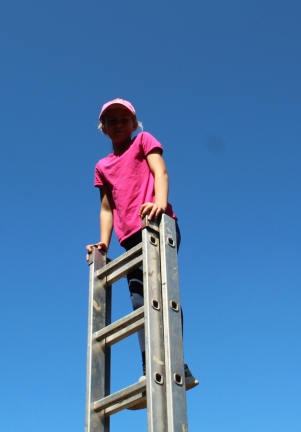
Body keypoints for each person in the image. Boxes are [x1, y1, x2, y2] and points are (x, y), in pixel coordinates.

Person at [86, 98, 197, 389]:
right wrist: (104, 243)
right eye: (111, 121)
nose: (118, 125)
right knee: (139, 302)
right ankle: (151, 367)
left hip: (156, 225)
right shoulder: (102, 166)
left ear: (134, 124)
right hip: (130, 240)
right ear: (103, 128)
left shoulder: (144, 141)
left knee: (163, 291)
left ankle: (178, 364)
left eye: (124, 120)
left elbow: (160, 171)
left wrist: (160, 203)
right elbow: (107, 209)